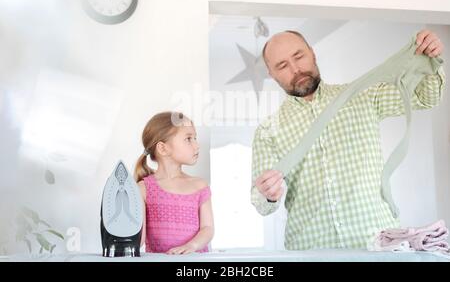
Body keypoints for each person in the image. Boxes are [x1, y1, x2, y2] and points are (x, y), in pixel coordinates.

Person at [251, 29, 446, 250]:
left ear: (312, 53)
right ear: (271, 74)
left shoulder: (363, 97)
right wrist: (267, 195)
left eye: (299, 56)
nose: (296, 69)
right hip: (310, 251)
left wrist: (430, 60)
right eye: (283, 66)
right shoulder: (268, 131)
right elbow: (261, 204)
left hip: (375, 247)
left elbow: (425, 98)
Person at [134, 111, 214, 254]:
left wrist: (192, 246)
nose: (197, 145)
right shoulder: (143, 189)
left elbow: (207, 228)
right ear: (163, 148)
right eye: (189, 139)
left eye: (195, 138)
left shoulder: (200, 186)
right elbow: (138, 239)